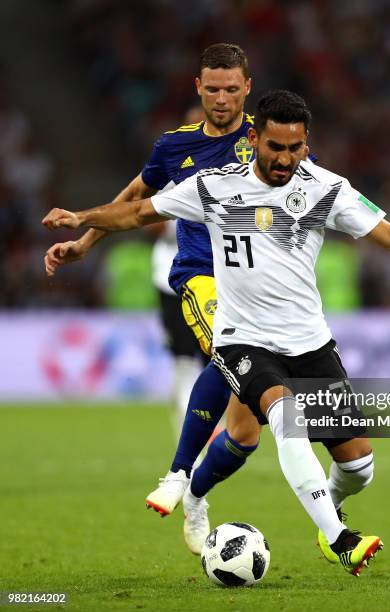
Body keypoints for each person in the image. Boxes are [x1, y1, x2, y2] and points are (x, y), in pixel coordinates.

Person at [43, 89, 390, 575]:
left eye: (295, 148)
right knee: (284, 417)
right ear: (254, 138)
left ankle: (310, 505)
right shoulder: (213, 186)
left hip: (309, 343)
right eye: (275, 147)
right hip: (243, 338)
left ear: (306, 144)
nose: (284, 159)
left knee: (358, 466)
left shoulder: (326, 189)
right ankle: (337, 536)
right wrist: (81, 220)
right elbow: (138, 212)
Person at [43, 43, 263, 553]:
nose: (223, 99)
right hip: (202, 276)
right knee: (230, 355)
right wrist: (82, 240)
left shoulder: (269, 140)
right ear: (198, 88)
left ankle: (198, 491)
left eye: (233, 89)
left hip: (261, 283)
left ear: (247, 88)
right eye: (213, 89)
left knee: (249, 419)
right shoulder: (174, 147)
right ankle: (180, 474)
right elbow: (132, 203)